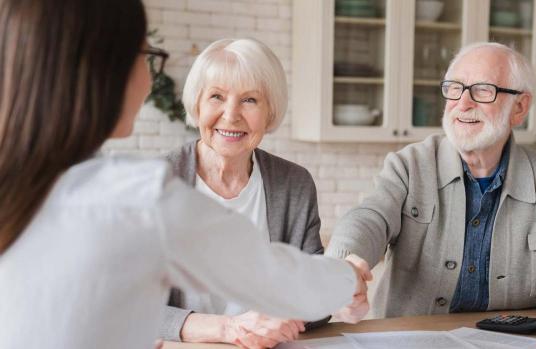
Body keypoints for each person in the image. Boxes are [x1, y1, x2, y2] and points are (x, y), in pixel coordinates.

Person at [0, 1, 370, 348]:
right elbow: (268, 275)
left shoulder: (25, 184)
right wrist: (347, 277)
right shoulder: (139, 197)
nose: (148, 79)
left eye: (250, 100)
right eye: (146, 56)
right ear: (105, 71)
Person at [325, 42, 536, 349]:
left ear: (519, 107)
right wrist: (342, 265)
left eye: (482, 90)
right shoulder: (410, 165)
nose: (463, 103)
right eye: (454, 88)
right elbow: (368, 219)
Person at [161, 38, 327, 347]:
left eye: (250, 100)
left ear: (270, 111)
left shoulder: (294, 184)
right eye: (216, 97)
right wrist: (228, 328)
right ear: (197, 104)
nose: (231, 114)